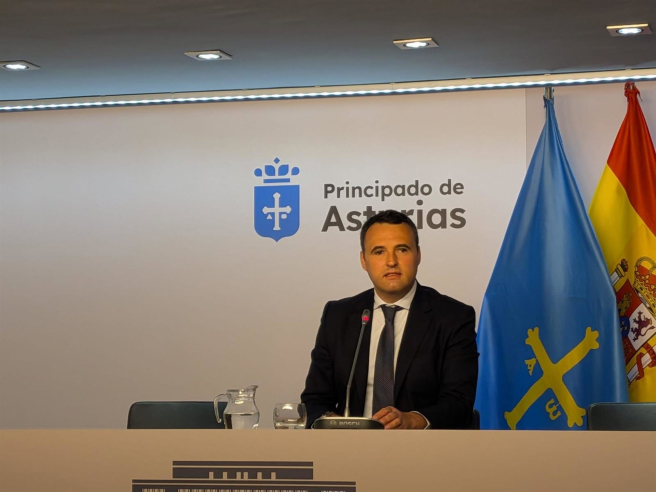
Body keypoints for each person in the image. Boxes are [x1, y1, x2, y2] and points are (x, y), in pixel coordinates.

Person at [301, 210, 478, 429]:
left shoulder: (453, 317)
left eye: (402, 250)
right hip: (350, 444)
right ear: (363, 260)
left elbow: (459, 402)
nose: (391, 262)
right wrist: (337, 424)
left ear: (418, 255)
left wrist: (412, 420)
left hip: (422, 445)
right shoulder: (338, 316)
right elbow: (314, 400)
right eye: (379, 252)